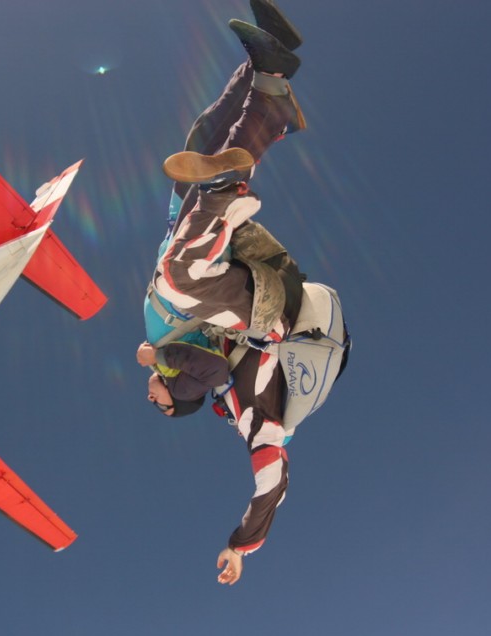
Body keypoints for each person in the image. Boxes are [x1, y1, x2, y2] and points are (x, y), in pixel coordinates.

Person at [140, 0, 309, 586]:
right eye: (159, 404)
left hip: (210, 266)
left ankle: (269, 75)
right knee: (178, 277)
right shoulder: (237, 406)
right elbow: (271, 480)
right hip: (263, 313)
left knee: (202, 137)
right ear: (179, 400)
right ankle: (225, 186)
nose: (150, 397)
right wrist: (241, 545)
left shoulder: (186, 348)